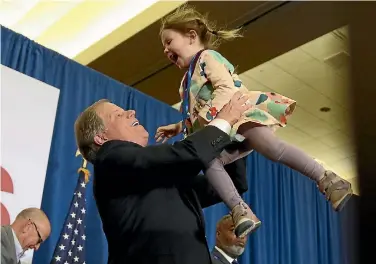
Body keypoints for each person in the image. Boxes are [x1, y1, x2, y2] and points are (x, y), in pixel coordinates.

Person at [156, 4, 353, 238]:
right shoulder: (184, 83)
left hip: (240, 115)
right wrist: (179, 127)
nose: (165, 51)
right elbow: (195, 116)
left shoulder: (207, 58)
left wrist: (208, 121)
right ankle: (240, 210)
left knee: (272, 148)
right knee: (207, 160)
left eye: (168, 42)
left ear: (190, 37)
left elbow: (225, 88)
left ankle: (328, 179)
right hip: (222, 130)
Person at [74, 92, 251, 264]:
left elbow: (230, 184)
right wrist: (224, 121)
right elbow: (186, 155)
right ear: (100, 138)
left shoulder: (154, 175)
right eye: (118, 114)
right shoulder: (109, 157)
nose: (131, 112)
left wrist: (235, 133)